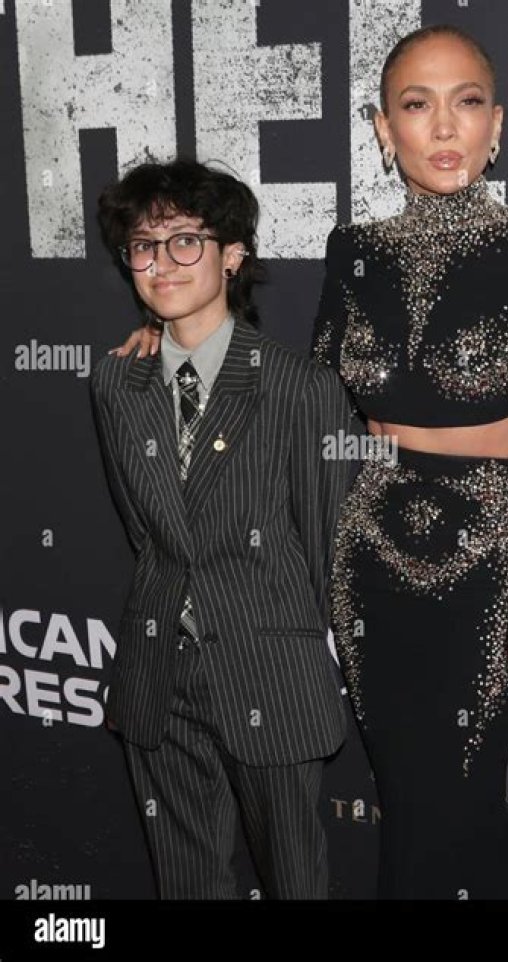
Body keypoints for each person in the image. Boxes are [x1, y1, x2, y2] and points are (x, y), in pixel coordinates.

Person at [112, 25, 508, 900]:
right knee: (420, 811)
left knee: (449, 813)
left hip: (491, 572)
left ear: (497, 124)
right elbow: (305, 397)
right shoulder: (357, 251)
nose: (444, 127)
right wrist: (178, 334)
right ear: (384, 129)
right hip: (366, 567)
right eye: (417, 106)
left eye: (467, 103)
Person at [91, 159, 353, 899]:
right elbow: (146, 533)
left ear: (233, 254)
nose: (161, 263)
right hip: (158, 678)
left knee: (296, 883)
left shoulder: (300, 387)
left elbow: (331, 551)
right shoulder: (116, 381)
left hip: (271, 672)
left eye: (185, 241)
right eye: (143, 246)